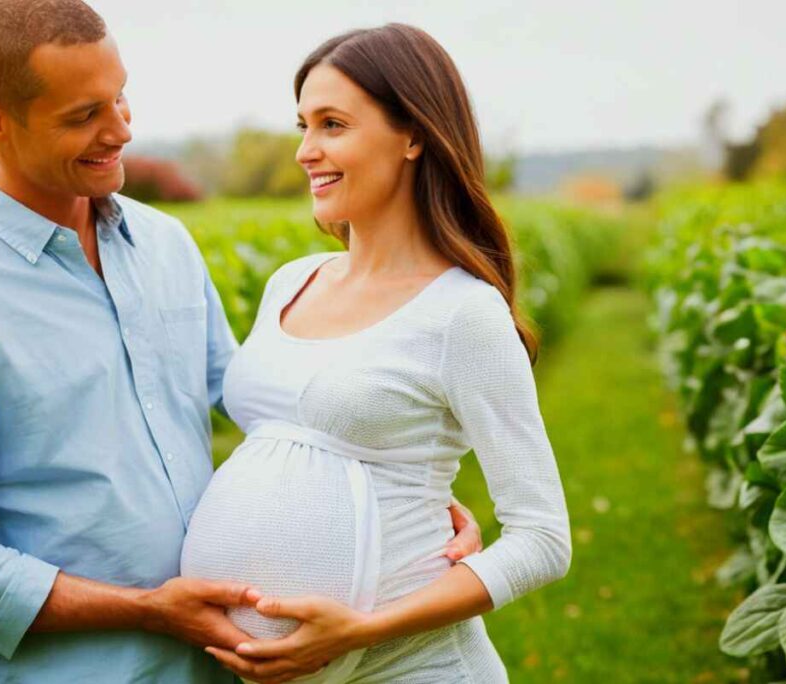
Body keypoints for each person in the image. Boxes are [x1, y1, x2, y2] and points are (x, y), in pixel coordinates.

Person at [0, 2, 482, 682]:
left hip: (219, 664)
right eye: (83, 116)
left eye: (120, 98)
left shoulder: (164, 245)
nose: (121, 130)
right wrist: (150, 609)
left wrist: (409, 509)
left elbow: (267, 404)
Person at [179, 24, 572, 683]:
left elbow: (543, 539)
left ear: (413, 134)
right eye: (302, 124)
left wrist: (363, 627)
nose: (306, 150)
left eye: (333, 124)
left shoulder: (462, 312)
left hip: (411, 667)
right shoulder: (291, 281)